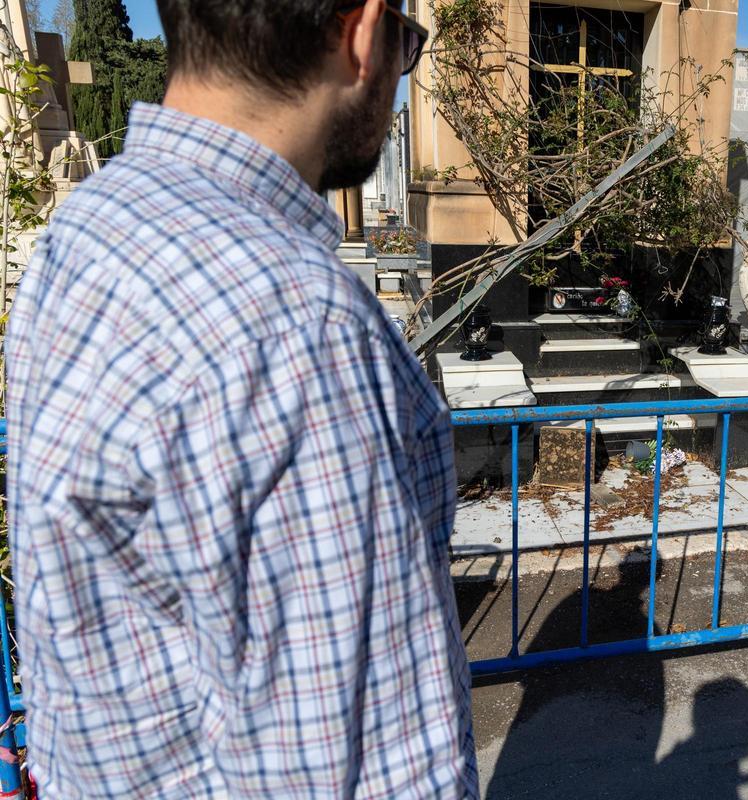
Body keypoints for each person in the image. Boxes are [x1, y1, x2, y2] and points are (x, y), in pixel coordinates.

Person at [5, 1, 477, 796]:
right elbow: (369, 763)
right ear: (362, 34)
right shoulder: (297, 320)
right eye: (407, 42)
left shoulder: (88, 225)